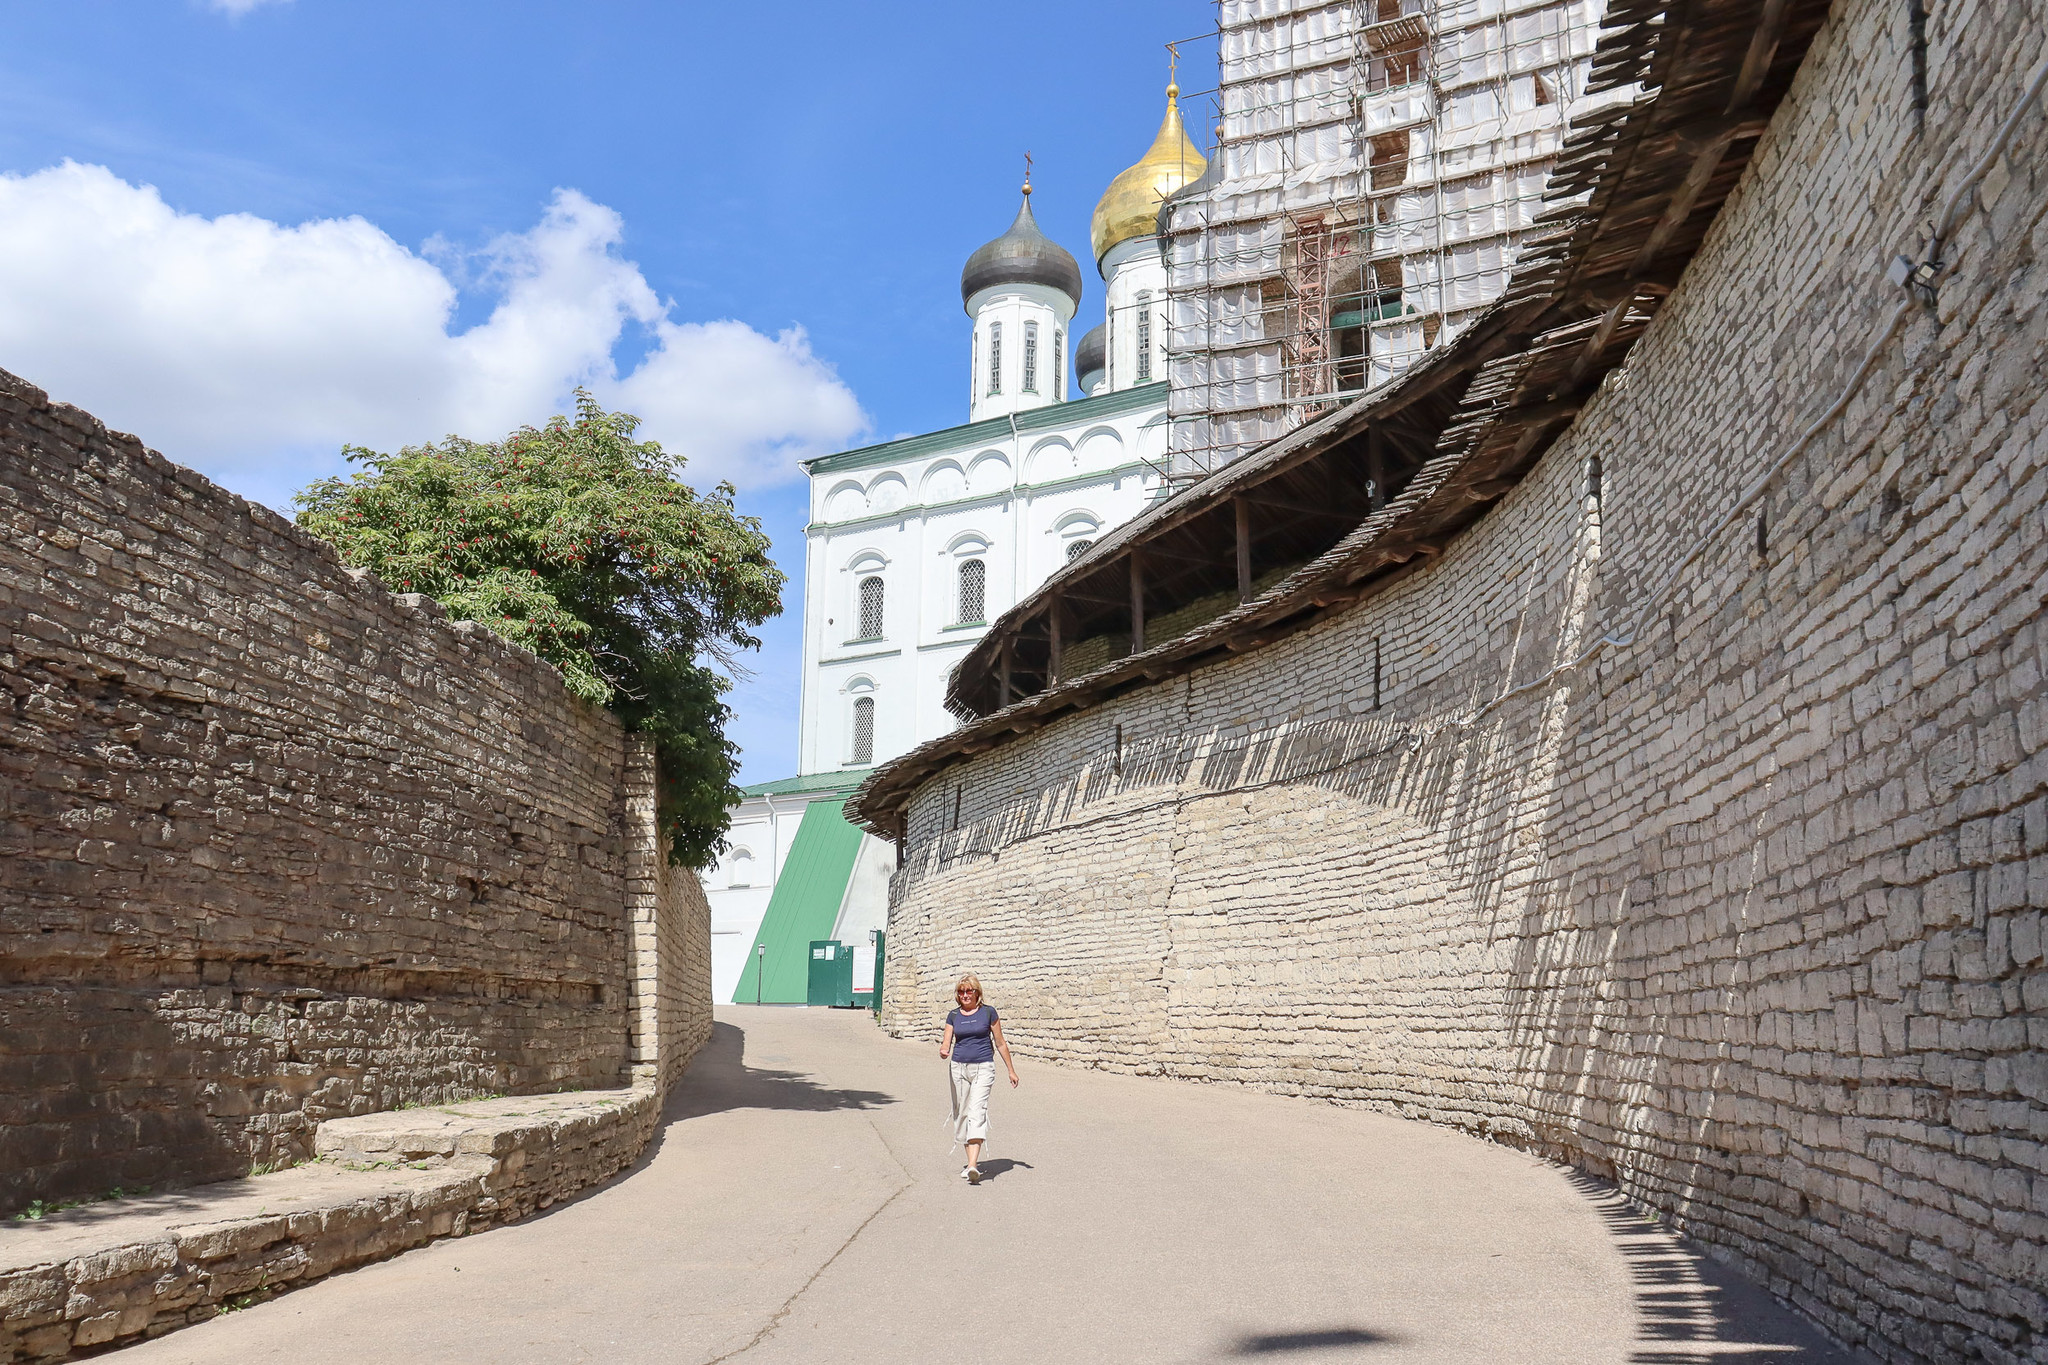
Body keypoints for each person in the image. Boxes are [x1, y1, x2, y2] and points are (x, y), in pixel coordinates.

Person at [939, 974, 1018, 1184]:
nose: (965, 995)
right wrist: (944, 1050)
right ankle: (970, 1162)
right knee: (962, 1113)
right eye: (961, 992)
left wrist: (1011, 1070)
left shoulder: (988, 1012)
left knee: (977, 1110)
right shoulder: (953, 1016)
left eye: (969, 991)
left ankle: (973, 1165)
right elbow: (946, 1042)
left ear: (977, 993)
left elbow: (1000, 1043)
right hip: (958, 1068)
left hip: (984, 1066)